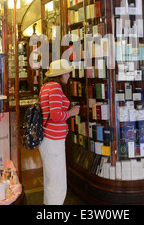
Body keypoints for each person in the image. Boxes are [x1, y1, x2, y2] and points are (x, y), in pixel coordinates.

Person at [39, 59, 80, 205]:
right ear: (61, 74)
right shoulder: (55, 88)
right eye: (67, 72)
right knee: (57, 181)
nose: (69, 74)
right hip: (53, 141)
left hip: (48, 138)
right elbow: (56, 116)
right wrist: (71, 113)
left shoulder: (45, 87)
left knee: (52, 178)